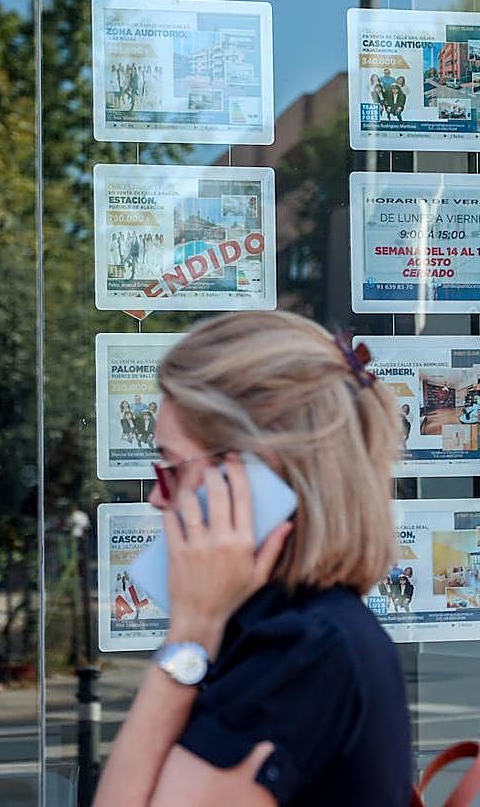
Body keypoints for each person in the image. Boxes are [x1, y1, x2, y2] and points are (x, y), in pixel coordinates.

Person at [94, 311, 412, 806]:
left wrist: (190, 635)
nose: (157, 498)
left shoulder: (303, 653)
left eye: (171, 469)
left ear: (250, 478)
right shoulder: (293, 631)